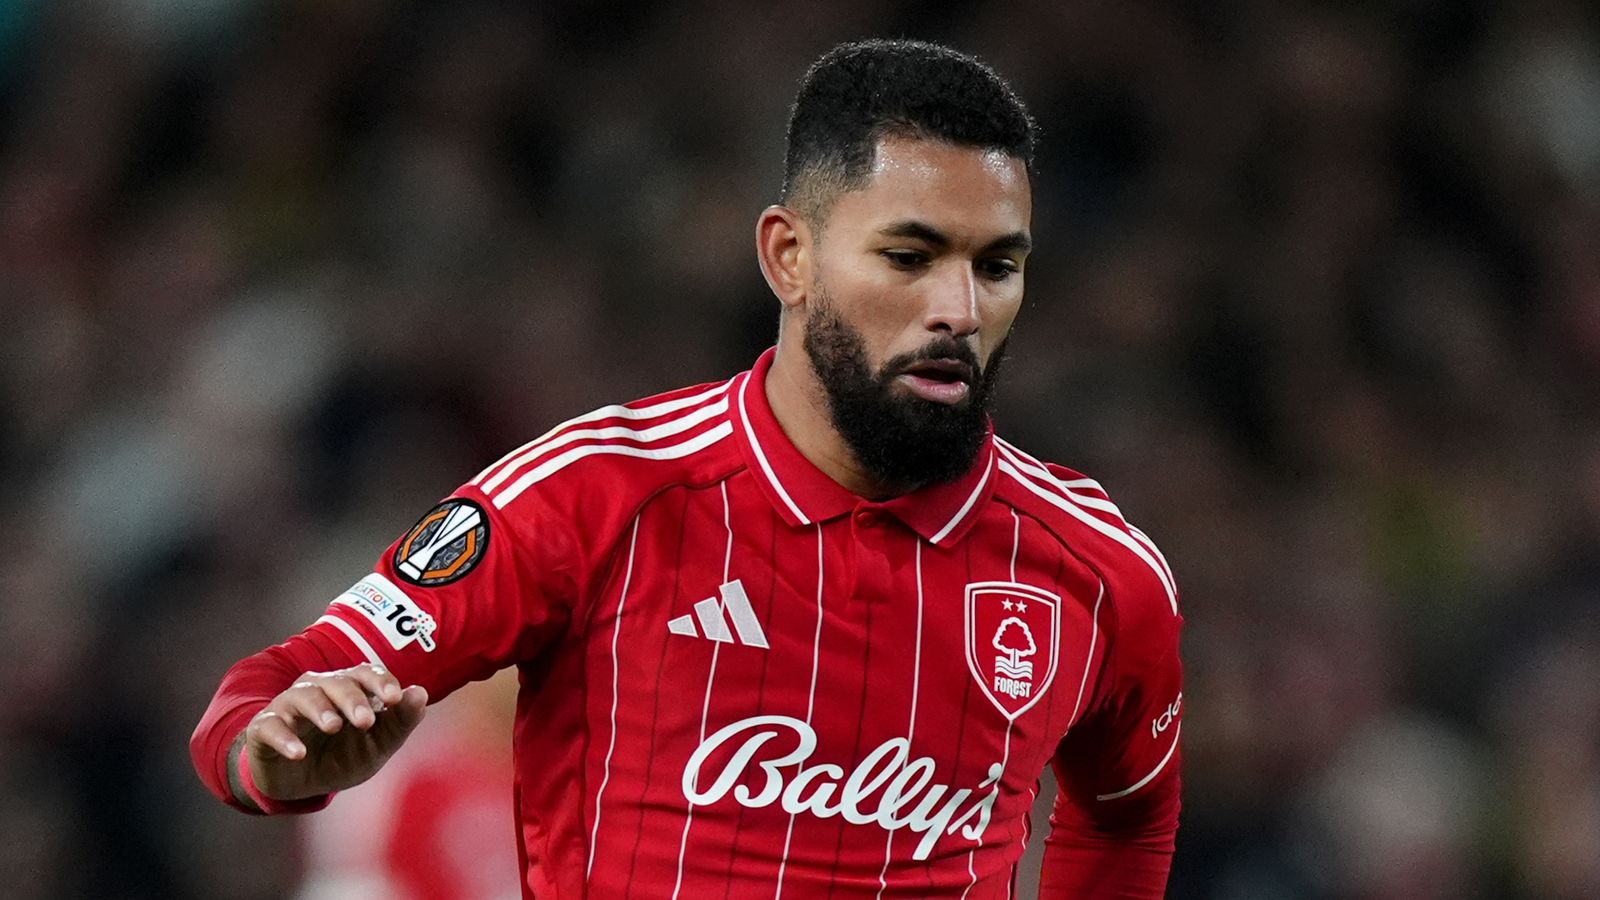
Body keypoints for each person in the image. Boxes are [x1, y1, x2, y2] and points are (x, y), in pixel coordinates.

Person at [191, 38, 1183, 898]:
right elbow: (271, 692)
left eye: (997, 266)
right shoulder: (592, 495)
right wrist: (269, 758)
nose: (958, 309)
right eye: (909, 256)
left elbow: (1128, 817)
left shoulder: (1098, 571)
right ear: (789, 257)